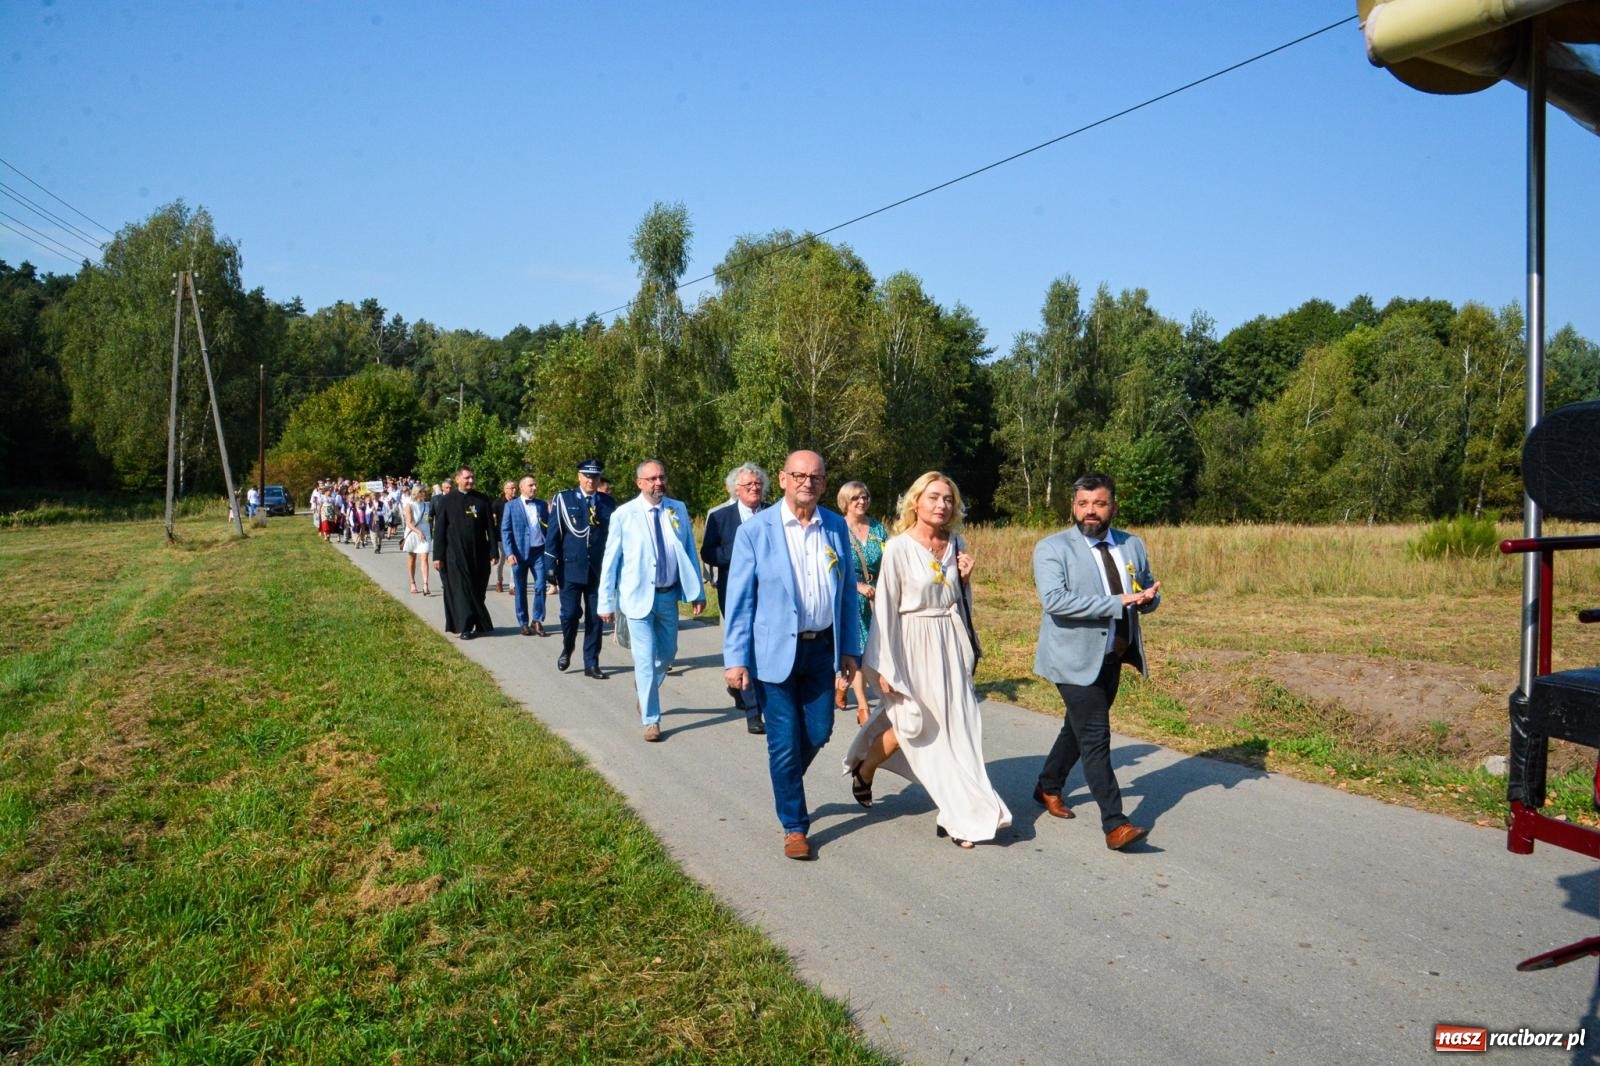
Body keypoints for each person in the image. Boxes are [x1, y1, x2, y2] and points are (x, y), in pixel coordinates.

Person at [841, 472, 1009, 849]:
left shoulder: (956, 544)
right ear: (916, 501)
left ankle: (958, 814)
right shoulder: (899, 548)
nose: (941, 505)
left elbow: (957, 602)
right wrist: (885, 665)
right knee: (914, 725)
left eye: (948, 499)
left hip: (949, 644)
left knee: (958, 730)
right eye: (933, 497)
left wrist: (965, 580)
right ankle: (866, 767)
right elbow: (885, 609)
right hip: (910, 644)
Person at [722, 449, 861, 861]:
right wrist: (736, 658)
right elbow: (740, 600)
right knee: (783, 743)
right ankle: (795, 826)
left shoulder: (835, 528)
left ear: (824, 483)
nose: (807, 483)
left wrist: (851, 648)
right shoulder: (757, 531)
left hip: (822, 650)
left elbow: (846, 596)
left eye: (816, 477)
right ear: (782, 479)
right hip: (773, 652)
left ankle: (785, 784)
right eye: (799, 475)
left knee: (818, 732)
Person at [1031, 472, 1162, 851]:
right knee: (1095, 736)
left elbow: (1144, 590)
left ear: (1112, 507)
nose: (1091, 511)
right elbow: (1055, 600)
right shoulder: (1052, 548)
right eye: (1083, 504)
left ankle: (1048, 785)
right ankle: (1115, 824)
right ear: (1073, 507)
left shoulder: (1131, 544)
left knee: (1077, 728)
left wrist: (1149, 599)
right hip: (1071, 657)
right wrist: (1117, 602)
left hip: (1114, 655)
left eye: (1099, 504)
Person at [598, 460, 706, 742]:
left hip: (668, 596)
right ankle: (651, 719)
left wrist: (697, 592)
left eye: (661, 477)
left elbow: (689, 552)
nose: (659, 482)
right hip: (636, 598)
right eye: (652, 479)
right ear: (640, 484)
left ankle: (646, 690)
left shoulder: (677, 509)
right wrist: (605, 602)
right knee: (644, 659)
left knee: (667, 654)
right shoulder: (624, 514)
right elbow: (610, 561)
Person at [700, 462, 769, 733]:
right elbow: (708, 553)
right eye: (748, 485)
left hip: (770, 596)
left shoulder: (774, 514)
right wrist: (738, 553)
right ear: (735, 490)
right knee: (744, 647)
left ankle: (757, 697)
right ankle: (753, 712)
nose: (754, 488)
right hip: (735, 593)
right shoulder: (721, 517)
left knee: (763, 650)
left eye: (758, 484)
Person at [545, 458, 617, 677]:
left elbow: (614, 538)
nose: (591, 481)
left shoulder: (608, 503)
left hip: (598, 571)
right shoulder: (564, 499)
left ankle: (591, 663)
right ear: (579, 477)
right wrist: (550, 565)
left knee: (596, 618)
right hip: (570, 569)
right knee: (570, 614)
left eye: (595, 477)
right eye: (587, 476)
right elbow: (553, 534)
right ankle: (568, 647)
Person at [836, 480, 887, 723]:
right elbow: (833, 568)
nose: (862, 501)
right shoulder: (837, 528)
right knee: (857, 651)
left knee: (874, 649)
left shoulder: (878, 528)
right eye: (856, 497)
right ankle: (863, 707)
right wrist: (857, 586)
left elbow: (889, 559)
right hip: (850, 594)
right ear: (846, 502)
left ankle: (843, 683)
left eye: (865, 496)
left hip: (877, 595)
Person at [431, 466, 498, 640]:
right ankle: (465, 626)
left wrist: (493, 551)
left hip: (479, 553)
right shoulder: (446, 501)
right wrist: (437, 556)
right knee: (462, 590)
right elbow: (439, 531)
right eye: (467, 478)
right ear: (457, 479)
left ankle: (479, 623)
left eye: (472, 478)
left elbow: (490, 528)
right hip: (455, 554)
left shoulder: (482, 500)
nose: (470, 481)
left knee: (478, 589)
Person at [501, 475, 550, 636]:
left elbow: (548, 527)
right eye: (531, 485)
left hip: (538, 553)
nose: (534, 488)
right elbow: (506, 530)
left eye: (535, 485)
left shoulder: (542, 505)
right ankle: (523, 622)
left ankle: (537, 620)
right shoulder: (511, 506)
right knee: (520, 589)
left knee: (541, 586)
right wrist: (509, 553)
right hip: (519, 553)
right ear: (522, 488)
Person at [402, 485, 432, 595]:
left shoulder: (426, 505)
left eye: (425, 492)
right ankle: (413, 582)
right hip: (413, 534)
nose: (425, 494)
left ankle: (425, 585)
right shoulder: (409, 505)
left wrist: (427, 531)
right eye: (423, 492)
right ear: (417, 493)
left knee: (424, 558)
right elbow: (409, 523)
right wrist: (418, 532)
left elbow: (426, 520)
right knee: (412, 559)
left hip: (425, 534)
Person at [492, 480, 516, 593]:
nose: (514, 490)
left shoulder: (517, 502)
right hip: (501, 537)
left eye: (515, 488)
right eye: (511, 488)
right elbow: (492, 520)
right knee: (501, 560)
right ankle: (499, 581)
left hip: (515, 536)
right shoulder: (498, 503)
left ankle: (512, 586)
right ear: (505, 490)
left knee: (513, 559)